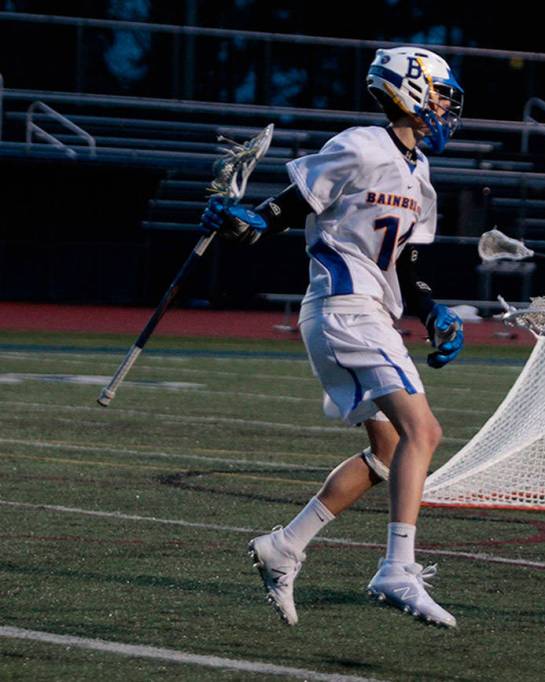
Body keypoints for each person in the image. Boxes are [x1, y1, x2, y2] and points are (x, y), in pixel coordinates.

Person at [200, 46, 466, 628]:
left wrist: (432, 311)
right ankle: (397, 568)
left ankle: (284, 546)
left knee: (390, 450)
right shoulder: (362, 145)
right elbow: (286, 208)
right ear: (411, 90)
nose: (448, 108)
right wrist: (247, 222)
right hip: (346, 309)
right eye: (442, 95)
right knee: (424, 431)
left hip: (366, 313)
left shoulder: (420, 172)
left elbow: (408, 264)